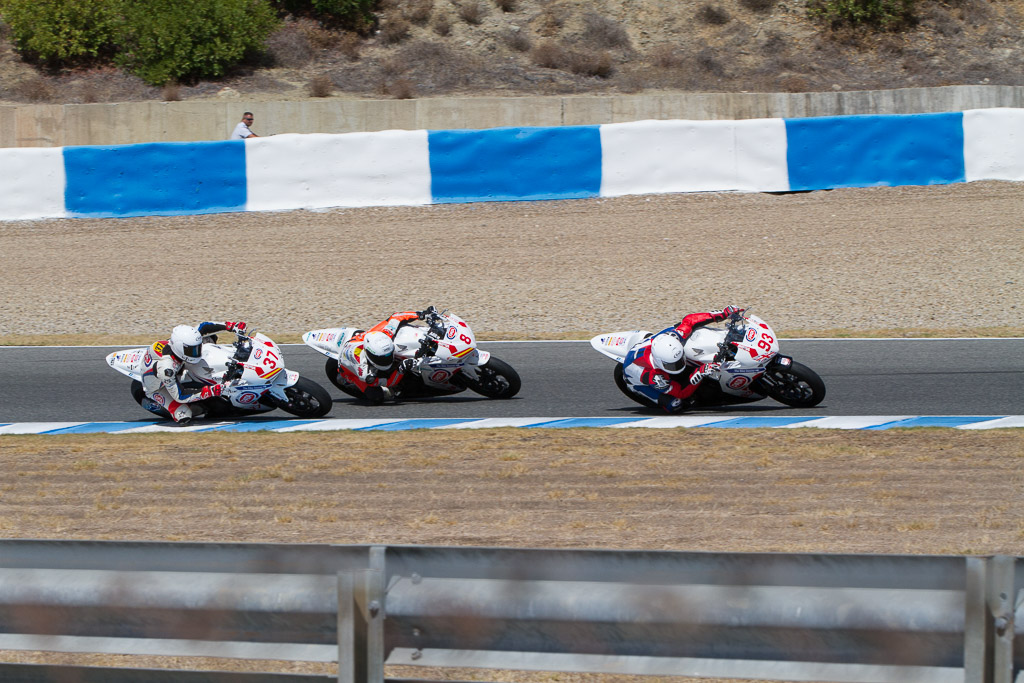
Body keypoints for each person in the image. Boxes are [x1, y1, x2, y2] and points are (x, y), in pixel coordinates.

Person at [620, 306, 743, 413]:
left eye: (679, 361)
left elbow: (690, 320)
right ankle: (636, 388)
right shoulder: (655, 377)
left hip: (649, 346)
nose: (679, 365)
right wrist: (699, 372)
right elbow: (680, 392)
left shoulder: (674, 338)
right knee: (675, 404)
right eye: (673, 365)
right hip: (636, 378)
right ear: (659, 362)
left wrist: (723, 314)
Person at [137, 321, 248, 425]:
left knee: (209, 338)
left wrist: (231, 326)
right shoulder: (167, 369)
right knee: (184, 415)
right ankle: (201, 407)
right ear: (181, 348)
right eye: (193, 350)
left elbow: (204, 326)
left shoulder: (183, 344)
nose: (197, 352)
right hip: (158, 387)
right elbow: (180, 396)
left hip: (177, 363)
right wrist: (210, 391)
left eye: (198, 348)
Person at [335, 310, 428, 403]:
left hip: (362, 339)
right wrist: (401, 369)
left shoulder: (384, 336)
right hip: (348, 370)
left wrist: (420, 314)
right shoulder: (365, 373)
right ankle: (348, 382)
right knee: (377, 397)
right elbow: (389, 382)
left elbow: (396, 317)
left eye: (387, 356)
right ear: (369, 355)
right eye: (382, 359)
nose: (386, 361)